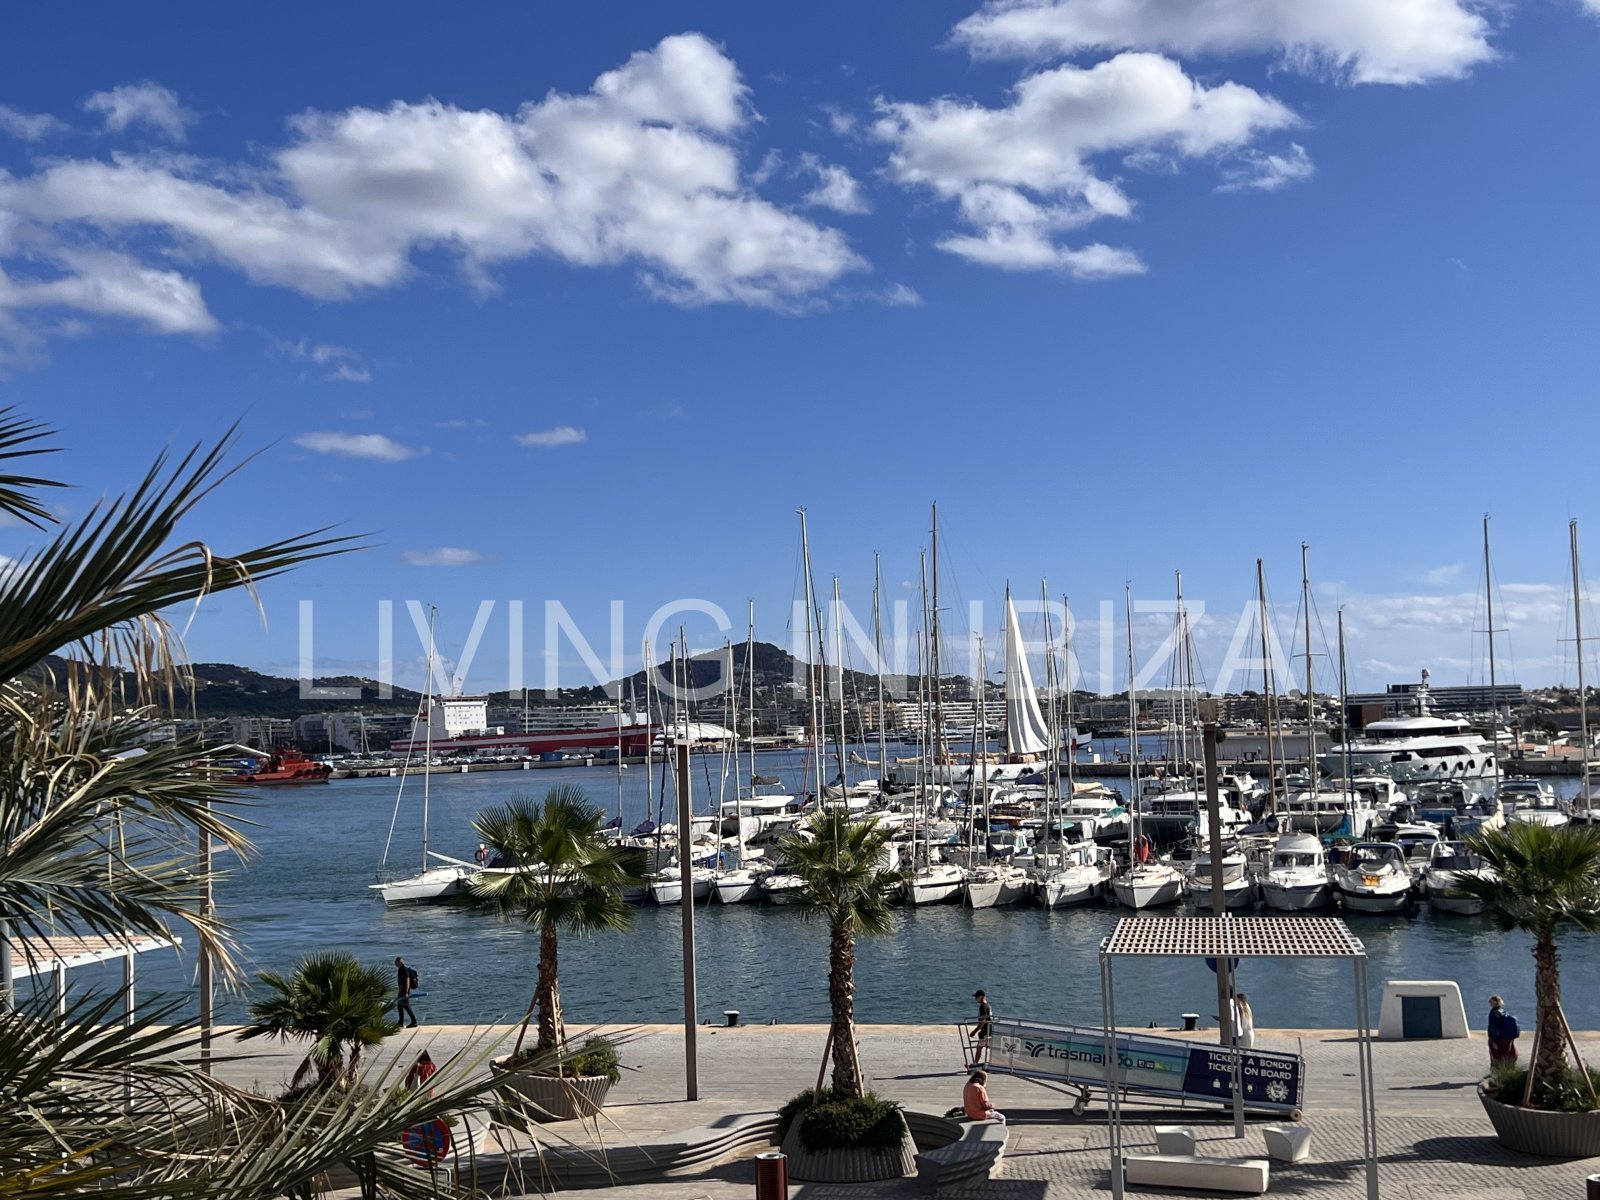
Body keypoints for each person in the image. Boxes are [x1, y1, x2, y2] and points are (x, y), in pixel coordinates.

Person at [1487, 995, 1519, 1067]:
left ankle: (1498, 1072)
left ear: (1495, 1002)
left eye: (1491, 1002)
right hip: (1507, 1037)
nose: (1490, 1004)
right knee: (1507, 1053)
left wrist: (1493, 1040)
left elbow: (1493, 1027)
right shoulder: (1503, 1011)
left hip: (1498, 1038)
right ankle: (1510, 1068)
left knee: (1497, 1056)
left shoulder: (1494, 1013)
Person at [969, 989, 993, 1069]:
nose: (976, 999)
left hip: (985, 1032)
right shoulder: (988, 1006)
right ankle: (979, 1063)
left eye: (977, 997)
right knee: (988, 1047)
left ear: (981, 997)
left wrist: (974, 1031)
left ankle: (975, 1064)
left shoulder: (983, 1007)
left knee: (979, 1047)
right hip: (989, 1031)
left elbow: (983, 1021)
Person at [395, 956, 419, 1028]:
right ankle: (400, 1022)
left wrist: (406, 992)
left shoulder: (404, 970)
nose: (395, 963)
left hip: (405, 991)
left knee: (406, 1005)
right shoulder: (400, 970)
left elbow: (407, 980)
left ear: (400, 962)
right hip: (401, 990)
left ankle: (414, 1021)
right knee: (400, 1005)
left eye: (396, 962)